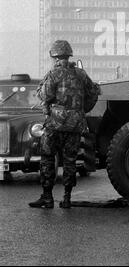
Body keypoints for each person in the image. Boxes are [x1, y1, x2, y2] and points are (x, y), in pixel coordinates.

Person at [29, 40, 100, 209]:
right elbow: (94, 92)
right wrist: (82, 110)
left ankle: (47, 198)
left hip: (55, 124)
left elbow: (44, 96)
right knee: (70, 161)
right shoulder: (81, 74)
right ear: (69, 55)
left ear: (54, 57)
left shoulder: (54, 74)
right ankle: (67, 198)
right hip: (76, 125)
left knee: (47, 158)